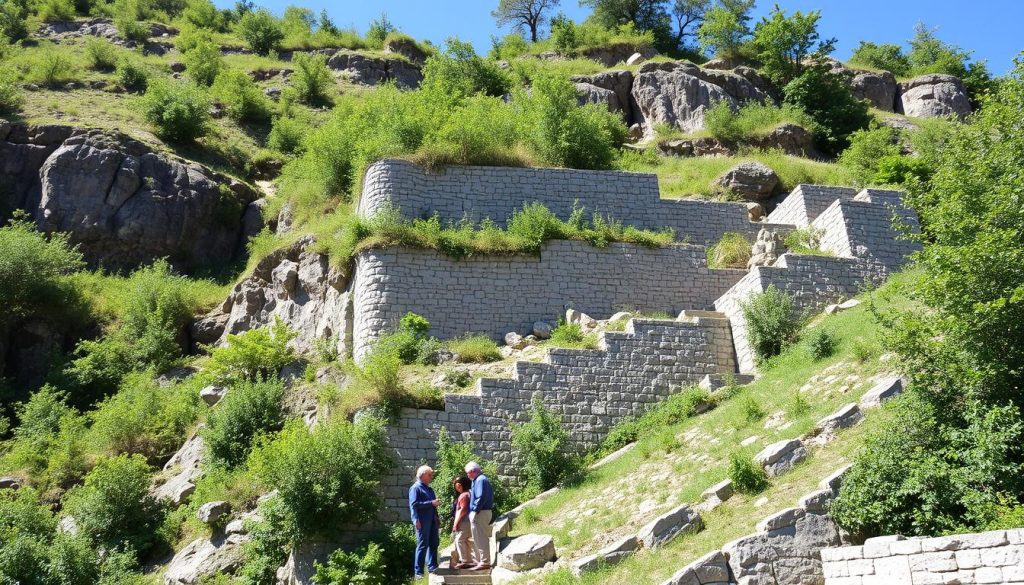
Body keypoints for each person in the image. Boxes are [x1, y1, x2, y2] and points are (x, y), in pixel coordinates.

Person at [409, 465, 440, 578]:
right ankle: (419, 573)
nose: (431, 477)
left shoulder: (429, 489)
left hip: (432, 520)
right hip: (422, 521)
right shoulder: (415, 488)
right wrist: (415, 519)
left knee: (434, 543)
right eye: (429, 475)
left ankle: (433, 567)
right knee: (422, 545)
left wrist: (437, 517)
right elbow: (414, 505)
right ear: (422, 475)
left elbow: (434, 506)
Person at [465, 461, 494, 571]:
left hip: (480, 512)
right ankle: (481, 561)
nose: (467, 475)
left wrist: (475, 510)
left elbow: (481, 497)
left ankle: (485, 561)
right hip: (480, 512)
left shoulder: (481, 480)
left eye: (468, 473)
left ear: (472, 471)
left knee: (480, 537)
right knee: (477, 537)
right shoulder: (478, 480)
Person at [451, 475, 475, 569]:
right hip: (469, 520)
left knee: (459, 540)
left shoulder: (463, 495)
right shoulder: (469, 493)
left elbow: (463, 510)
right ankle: (470, 560)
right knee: (466, 540)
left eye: (457, 485)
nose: (456, 487)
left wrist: (456, 524)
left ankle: (464, 561)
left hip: (464, 521)